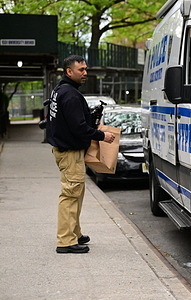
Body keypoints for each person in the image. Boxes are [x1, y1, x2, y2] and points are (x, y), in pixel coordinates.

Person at [46, 55, 116, 254]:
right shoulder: (70, 95)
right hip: (70, 152)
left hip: (66, 150)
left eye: (86, 69)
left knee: (75, 193)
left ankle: (74, 233)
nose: (85, 73)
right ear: (69, 71)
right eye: (81, 70)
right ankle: (66, 241)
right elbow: (79, 129)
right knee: (70, 195)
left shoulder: (61, 91)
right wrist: (103, 135)